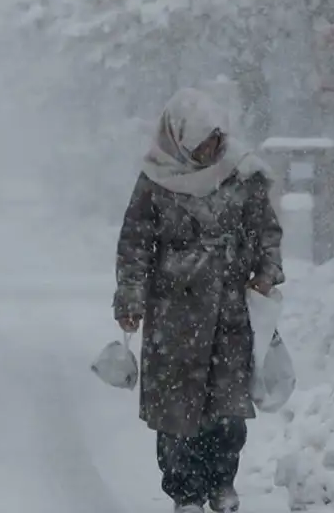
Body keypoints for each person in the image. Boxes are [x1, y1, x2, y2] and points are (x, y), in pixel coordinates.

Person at [114, 87, 284, 513]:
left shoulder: (242, 174)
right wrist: (131, 298)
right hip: (173, 311)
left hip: (230, 309)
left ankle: (222, 482)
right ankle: (185, 491)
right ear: (179, 141)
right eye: (201, 143)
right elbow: (134, 245)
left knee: (228, 407)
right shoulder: (155, 180)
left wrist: (266, 275)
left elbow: (266, 231)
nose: (210, 150)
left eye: (215, 140)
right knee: (177, 411)